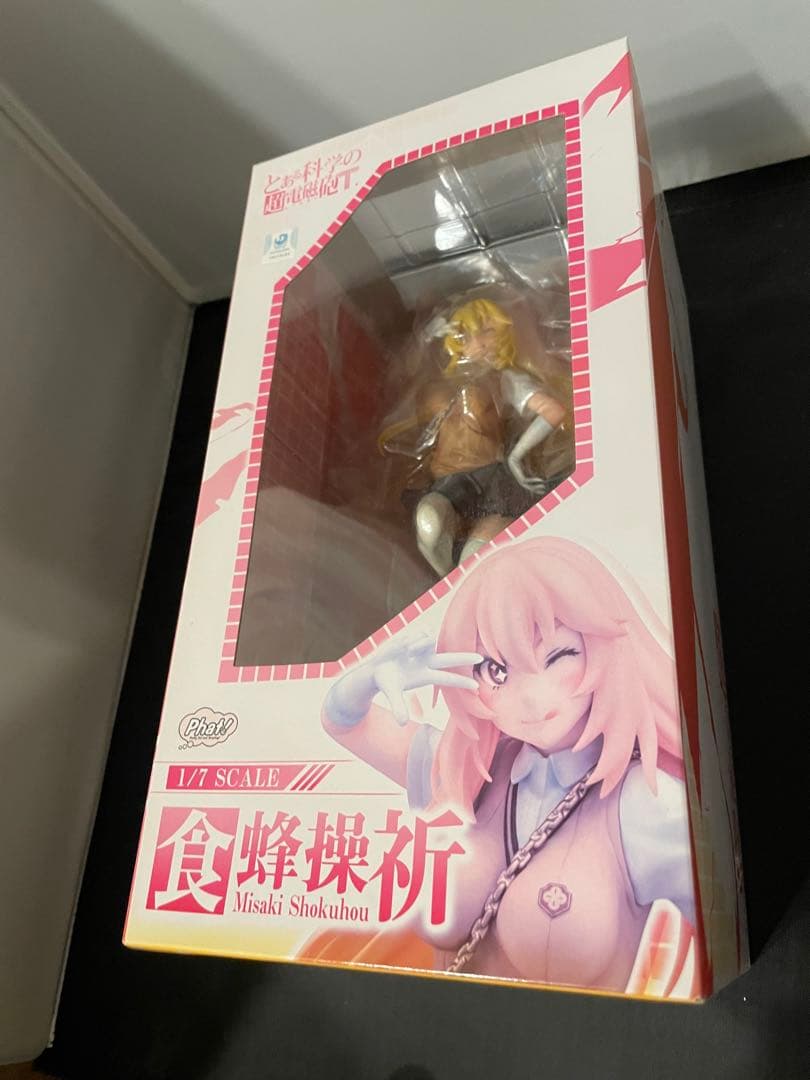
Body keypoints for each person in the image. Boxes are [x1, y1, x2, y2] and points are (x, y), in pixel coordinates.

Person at [318, 536, 699, 995]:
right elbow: (344, 723)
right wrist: (366, 679)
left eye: (558, 656)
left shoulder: (644, 802)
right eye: (496, 672)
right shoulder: (471, 771)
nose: (531, 698)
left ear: (606, 648)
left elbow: (722, 927)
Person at [378, 298, 567, 575]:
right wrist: (427, 334)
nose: (478, 341)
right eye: (467, 334)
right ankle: (446, 582)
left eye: (488, 331)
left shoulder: (506, 379)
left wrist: (516, 456)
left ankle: (466, 583)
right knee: (429, 523)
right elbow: (401, 374)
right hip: (446, 482)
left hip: (490, 480)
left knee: (475, 555)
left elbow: (553, 410)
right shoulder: (438, 381)